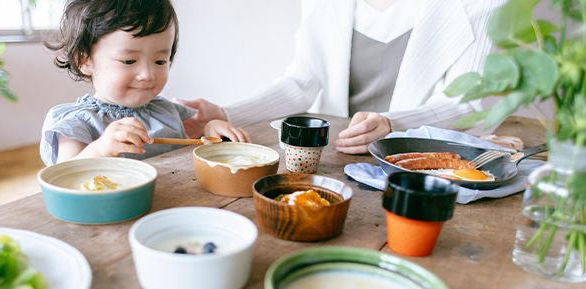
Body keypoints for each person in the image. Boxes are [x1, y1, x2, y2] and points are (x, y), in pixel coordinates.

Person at [176, 0, 505, 154]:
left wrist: (392, 123)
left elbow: (464, 104)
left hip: (426, 162)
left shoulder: (479, 4)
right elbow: (301, 85)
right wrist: (226, 114)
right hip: (336, 156)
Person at [40, 0, 249, 166]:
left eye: (160, 61)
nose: (147, 74)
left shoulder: (165, 111)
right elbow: (64, 176)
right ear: (84, 60)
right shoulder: (76, 122)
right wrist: (100, 150)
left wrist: (210, 129)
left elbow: (191, 141)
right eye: (129, 61)